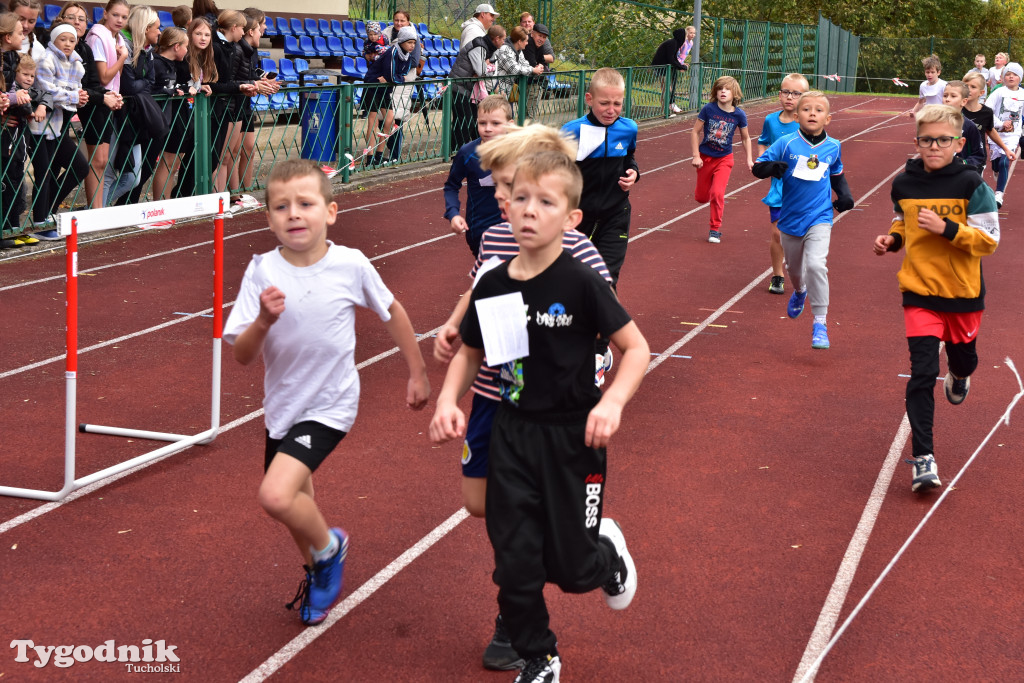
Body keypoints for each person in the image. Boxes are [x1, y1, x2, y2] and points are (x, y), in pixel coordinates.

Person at [429, 149, 648, 683]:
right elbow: (472, 352)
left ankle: (604, 549)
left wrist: (612, 402)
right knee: (515, 561)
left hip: (575, 436)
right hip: (514, 433)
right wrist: (447, 401)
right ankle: (539, 655)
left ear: (571, 218)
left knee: (572, 571)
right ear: (505, 208)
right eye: (520, 198)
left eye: (544, 201)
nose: (528, 210)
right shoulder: (495, 282)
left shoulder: (582, 281)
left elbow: (636, 349)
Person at [223, 158, 430, 625]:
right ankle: (319, 567)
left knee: (275, 496)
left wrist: (416, 372)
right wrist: (262, 320)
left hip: (332, 403)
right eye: (281, 206)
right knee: (299, 507)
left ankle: (330, 549)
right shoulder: (261, 271)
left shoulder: (349, 264)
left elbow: (392, 311)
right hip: (283, 406)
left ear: (330, 212)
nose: (293, 214)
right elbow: (242, 355)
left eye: (305, 204)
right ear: (269, 217)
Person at [872, 104, 999, 492]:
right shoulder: (904, 184)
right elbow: (902, 221)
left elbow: (989, 242)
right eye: (926, 140)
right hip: (919, 291)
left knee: (964, 359)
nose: (934, 146)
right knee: (923, 374)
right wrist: (893, 239)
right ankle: (923, 457)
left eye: (943, 140)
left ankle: (960, 374)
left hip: (962, 293)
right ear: (917, 142)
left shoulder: (972, 186)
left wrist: (946, 228)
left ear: (958, 143)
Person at [751, 91, 854, 350]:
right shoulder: (786, 144)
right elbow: (758, 167)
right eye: (806, 109)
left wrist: (845, 196)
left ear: (828, 119)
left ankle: (820, 322)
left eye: (818, 110)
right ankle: (799, 292)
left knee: (817, 265)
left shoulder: (834, 146)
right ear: (797, 116)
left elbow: (836, 174)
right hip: (790, 218)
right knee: (795, 271)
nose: (812, 113)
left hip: (820, 216)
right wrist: (772, 168)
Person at [27, 23, 88, 239]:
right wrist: (73, 97)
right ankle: (40, 220)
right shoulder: (46, 59)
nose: (68, 44)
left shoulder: (77, 63)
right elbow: (46, 90)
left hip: (58, 125)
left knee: (78, 167)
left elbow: (74, 91)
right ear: (54, 41)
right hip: (38, 125)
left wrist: (80, 98)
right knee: (44, 172)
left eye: (72, 40)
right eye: (63, 40)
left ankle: (48, 213)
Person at [757, 73, 808, 294]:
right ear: (779, 94)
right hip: (779, 187)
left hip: (803, 188)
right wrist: (765, 163)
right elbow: (763, 144)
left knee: (800, 235)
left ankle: (800, 270)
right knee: (777, 233)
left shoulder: (808, 121)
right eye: (786, 92)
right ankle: (777, 275)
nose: (790, 97)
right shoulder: (771, 121)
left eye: (796, 93)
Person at [443, 94, 510, 256]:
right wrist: (453, 214)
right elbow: (451, 186)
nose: (488, 128)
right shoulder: (467, 153)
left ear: (510, 125)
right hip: (481, 231)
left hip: (516, 230)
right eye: (482, 123)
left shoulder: (522, 151)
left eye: (495, 123)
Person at [691, 74, 753, 244]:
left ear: (735, 94)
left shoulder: (739, 115)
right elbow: (695, 132)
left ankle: (715, 229)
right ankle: (705, 195)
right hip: (705, 158)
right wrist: (696, 155)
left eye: (727, 89)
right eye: (720, 89)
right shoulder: (708, 109)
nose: (723, 92)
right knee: (701, 197)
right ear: (715, 92)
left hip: (724, 158)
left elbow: (746, 138)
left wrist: (749, 159)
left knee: (717, 193)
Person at [83, 0, 129, 209]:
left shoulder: (117, 38)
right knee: (97, 161)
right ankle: (94, 209)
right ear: (105, 13)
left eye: (124, 17)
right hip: (96, 101)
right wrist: (123, 58)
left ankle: (99, 209)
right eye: (115, 15)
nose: (120, 20)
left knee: (103, 161)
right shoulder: (98, 37)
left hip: (109, 101)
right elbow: (103, 78)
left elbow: (115, 78)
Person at [1, 30, 42, 247]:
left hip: (19, 147)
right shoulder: (12, 92)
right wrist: (26, 104)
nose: (28, 79)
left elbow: (38, 94)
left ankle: (15, 227)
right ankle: (6, 230)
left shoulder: (27, 91)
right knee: (8, 186)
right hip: (6, 145)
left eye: (32, 76)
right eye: (24, 75)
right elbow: (23, 104)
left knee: (19, 188)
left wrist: (39, 102)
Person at [361, 25, 416, 167]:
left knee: (390, 121)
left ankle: (379, 155)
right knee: (373, 122)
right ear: (402, 41)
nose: (412, 46)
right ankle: (370, 157)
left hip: (385, 88)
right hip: (373, 85)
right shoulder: (392, 52)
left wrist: (394, 78)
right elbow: (392, 75)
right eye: (409, 42)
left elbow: (401, 76)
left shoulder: (407, 56)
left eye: (414, 43)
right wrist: (394, 78)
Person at [447, 24, 504, 153]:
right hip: (459, 86)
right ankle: (457, 151)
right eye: (503, 39)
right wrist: (485, 66)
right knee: (464, 119)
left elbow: (487, 68)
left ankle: (472, 149)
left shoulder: (487, 47)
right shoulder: (479, 46)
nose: (504, 42)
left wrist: (485, 66)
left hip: (468, 88)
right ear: (496, 38)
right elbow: (481, 71)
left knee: (472, 118)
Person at [380, 10, 424, 164]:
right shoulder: (385, 33)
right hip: (386, 81)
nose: (398, 23)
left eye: (402, 20)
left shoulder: (413, 38)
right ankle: (381, 154)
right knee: (383, 119)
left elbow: (413, 61)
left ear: (408, 21)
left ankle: (395, 155)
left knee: (396, 119)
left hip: (403, 81)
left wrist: (395, 63)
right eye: (396, 20)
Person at [151, 25, 189, 199]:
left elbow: (170, 87)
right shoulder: (156, 63)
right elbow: (151, 88)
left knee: (173, 164)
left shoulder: (173, 65)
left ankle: (165, 204)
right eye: (185, 46)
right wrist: (170, 92)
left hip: (169, 118)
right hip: (157, 120)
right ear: (176, 46)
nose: (187, 50)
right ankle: (159, 204)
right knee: (165, 163)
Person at [961, 70, 1015, 184]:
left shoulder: (986, 112)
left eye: (973, 87)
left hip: (977, 158)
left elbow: (990, 131)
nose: (968, 89)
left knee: (972, 188)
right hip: (958, 156)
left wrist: (1006, 149)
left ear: (981, 92)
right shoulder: (956, 109)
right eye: (965, 86)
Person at [983, 61, 1024, 208]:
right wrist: (1000, 124)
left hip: (1013, 135)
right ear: (1003, 77)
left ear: (1020, 77)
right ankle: (996, 170)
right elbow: (987, 111)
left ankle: (999, 194)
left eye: (1014, 74)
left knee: (1005, 161)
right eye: (1008, 74)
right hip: (996, 133)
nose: (1011, 77)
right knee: (996, 164)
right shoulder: (998, 92)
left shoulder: (1022, 94)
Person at [491, 26, 541, 111]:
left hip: (507, 92)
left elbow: (524, 63)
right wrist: (532, 70)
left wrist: (534, 68)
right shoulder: (505, 50)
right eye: (526, 41)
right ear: (519, 41)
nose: (527, 43)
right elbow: (515, 69)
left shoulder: (518, 50)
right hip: (498, 91)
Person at [941, 80, 984, 173]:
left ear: (964, 102)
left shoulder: (969, 126)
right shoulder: (934, 123)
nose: (947, 99)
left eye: (953, 96)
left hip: (960, 175)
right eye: (945, 95)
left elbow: (978, 155)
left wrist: (964, 162)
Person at [650, 25, 694, 115]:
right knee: (666, 88)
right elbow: (671, 58)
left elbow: (673, 57)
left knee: (668, 88)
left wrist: (680, 65)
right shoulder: (673, 43)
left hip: (665, 67)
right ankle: (665, 111)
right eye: (685, 36)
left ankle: (666, 110)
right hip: (661, 67)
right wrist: (681, 67)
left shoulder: (676, 43)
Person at [522, 22, 552, 119]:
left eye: (544, 37)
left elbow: (542, 63)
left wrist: (540, 67)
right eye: (539, 36)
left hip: (534, 83)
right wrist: (538, 67)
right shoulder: (529, 43)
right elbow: (532, 64)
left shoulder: (540, 46)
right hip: (529, 84)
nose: (541, 39)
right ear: (532, 33)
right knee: (529, 116)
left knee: (528, 114)